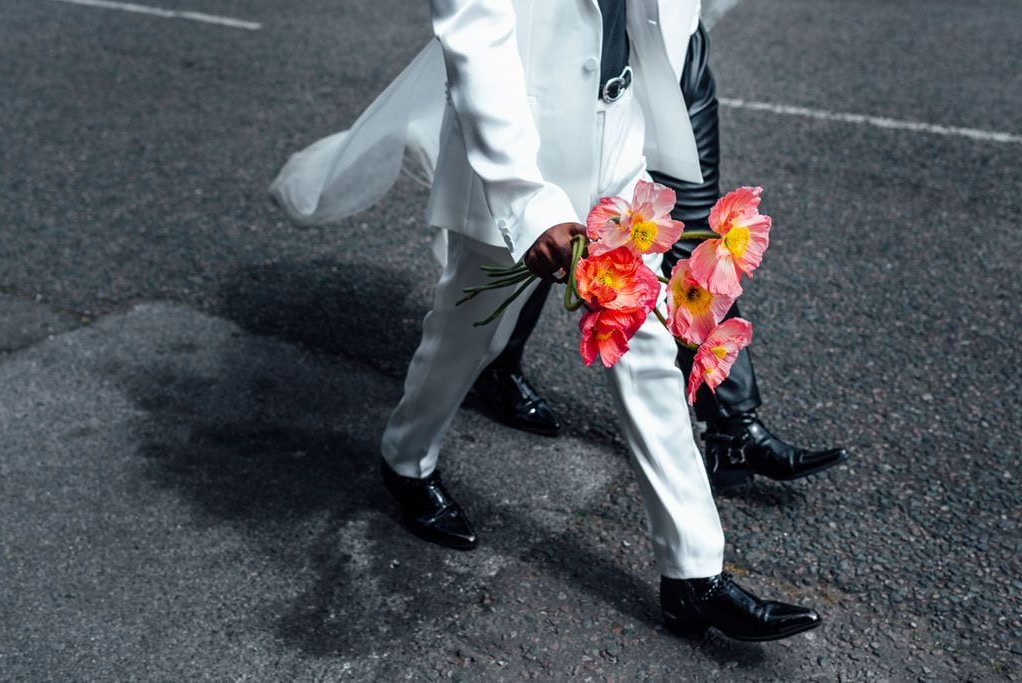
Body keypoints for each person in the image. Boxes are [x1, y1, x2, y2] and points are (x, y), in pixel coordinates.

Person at [274, 0, 821, 642]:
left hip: (617, 138)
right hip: (520, 154)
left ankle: (693, 575)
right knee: (465, 333)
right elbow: (474, 37)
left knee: (644, 347)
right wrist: (524, 198)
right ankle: (405, 460)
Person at [472, 18, 848, 493]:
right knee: (551, 231)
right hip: (586, 57)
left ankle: (734, 429)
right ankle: (492, 363)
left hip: (677, 49)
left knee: (694, 237)